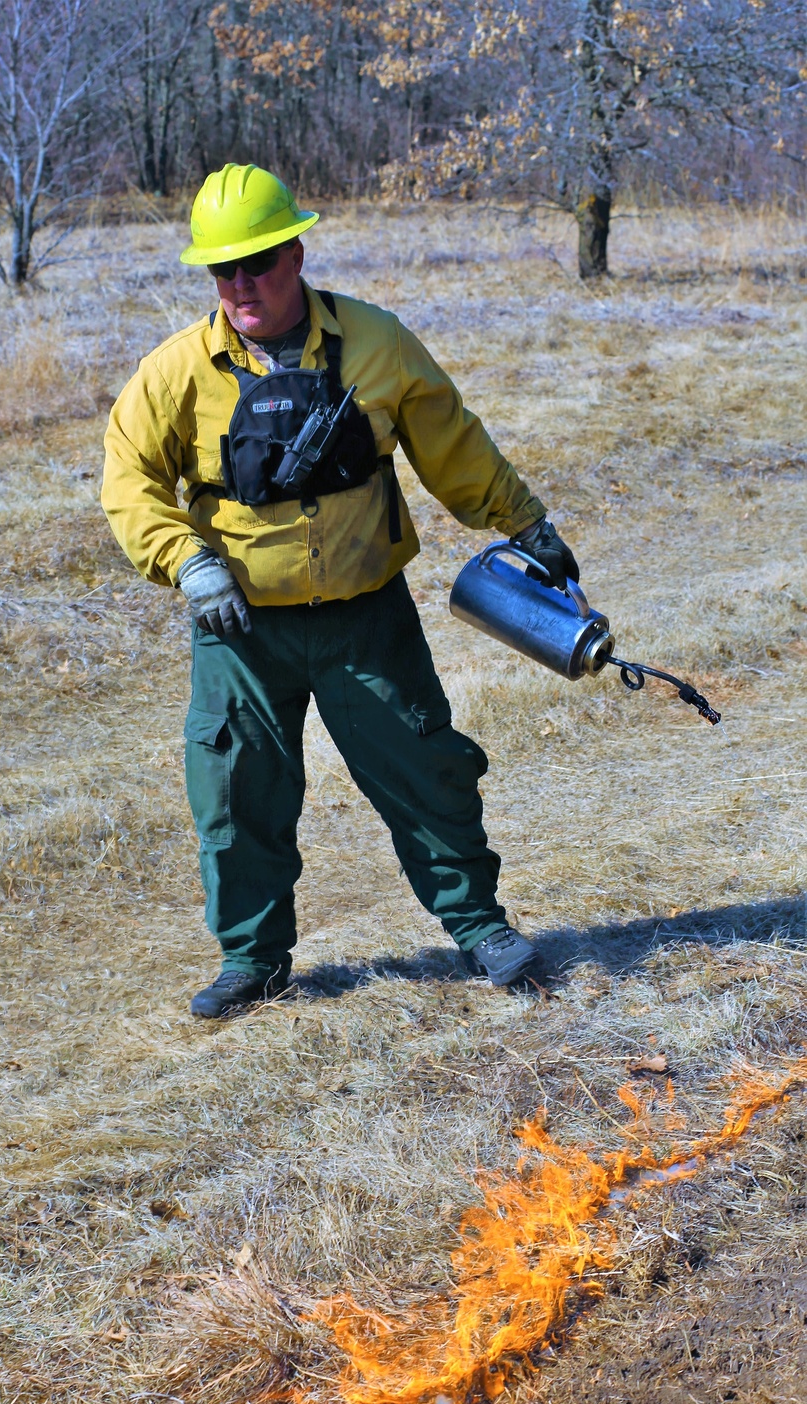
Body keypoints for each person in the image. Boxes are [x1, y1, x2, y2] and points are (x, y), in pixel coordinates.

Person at [101, 163, 578, 1018]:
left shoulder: (376, 343)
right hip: (241, 631)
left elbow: (453, 445)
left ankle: (480, 927)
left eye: (259, 264)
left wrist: (525, 524)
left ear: (296, 252)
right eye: (223, 270)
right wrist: (190, 561)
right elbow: (129, 482)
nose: (241, 285)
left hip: (368, 618)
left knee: (428, 770)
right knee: (237, 792)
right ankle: (252, 961)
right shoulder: (177, 372)